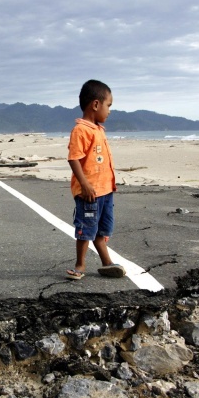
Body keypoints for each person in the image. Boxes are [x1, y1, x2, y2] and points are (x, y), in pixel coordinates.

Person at [66, 79, 126, 280]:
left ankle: (107, 263)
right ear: (96, 104)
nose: (109, 111)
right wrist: (84, 184)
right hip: (89, 192)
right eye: (109, 105)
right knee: (86, 229)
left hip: (105, 190)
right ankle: (80, 265)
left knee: (102, 230)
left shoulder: (98, 129)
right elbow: (74, 158)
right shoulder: (81, 130)